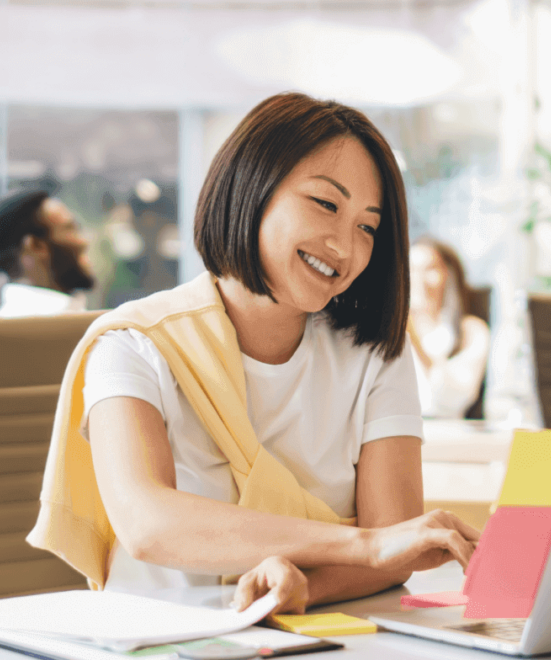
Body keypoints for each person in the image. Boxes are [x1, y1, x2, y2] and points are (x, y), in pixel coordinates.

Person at [27, 93, 480, 616]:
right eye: (327, 204)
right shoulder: (134, 344)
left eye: (368, 226)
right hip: (162, 635)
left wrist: (303, 588)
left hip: (315, 637)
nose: (345, 245)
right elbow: (148, 524)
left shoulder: (375, 352)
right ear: (252, 190)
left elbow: (395, 555)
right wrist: (365, 545)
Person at [407, 236, 490, 418]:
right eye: (412, 270)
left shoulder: (472, 331)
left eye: (430, 269)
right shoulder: (389, 331)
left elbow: (453, 401)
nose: (419, 279)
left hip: (448, 433)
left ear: (450, 275)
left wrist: (414, 340)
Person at [0, 189, 95, 316]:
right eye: (70, 228)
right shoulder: (66, 324)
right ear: (36, 246)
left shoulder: (6, 323)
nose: (84, 241)